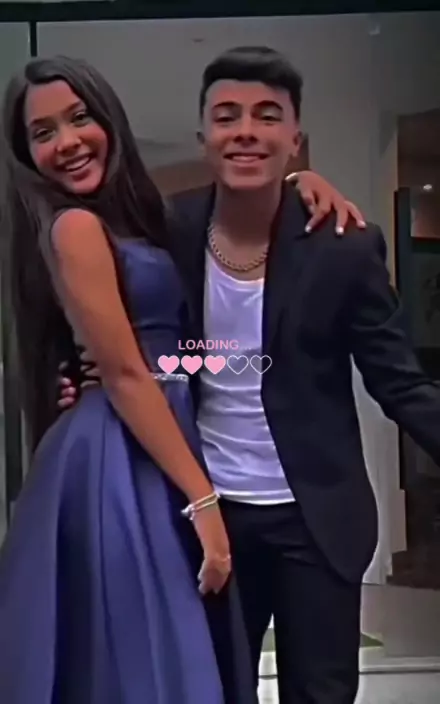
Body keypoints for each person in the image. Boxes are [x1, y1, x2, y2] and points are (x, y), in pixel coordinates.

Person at [59, 46, 440, 704]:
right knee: (213, 689)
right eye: (227, 116)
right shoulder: (166, 229)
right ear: (203, 134)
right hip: (207, 513)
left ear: (294, 136)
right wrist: (73, 377)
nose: (246, 131)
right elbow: (115, 321)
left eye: (267, 116)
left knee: (320, 693)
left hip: (317, 519)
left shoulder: (344, 247)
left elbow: (400, 381)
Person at [0, 55, 258, 704]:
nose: (67, 142)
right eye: (43, 133)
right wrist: (204, 503)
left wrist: (303, 182)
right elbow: (124, 374)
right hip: (119, 461)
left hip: (153, 445)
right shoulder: (74, 227)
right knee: (142, 661)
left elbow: (162, 355)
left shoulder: (139, 220)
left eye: (78, 118)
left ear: (108, 119)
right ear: (27, 156)